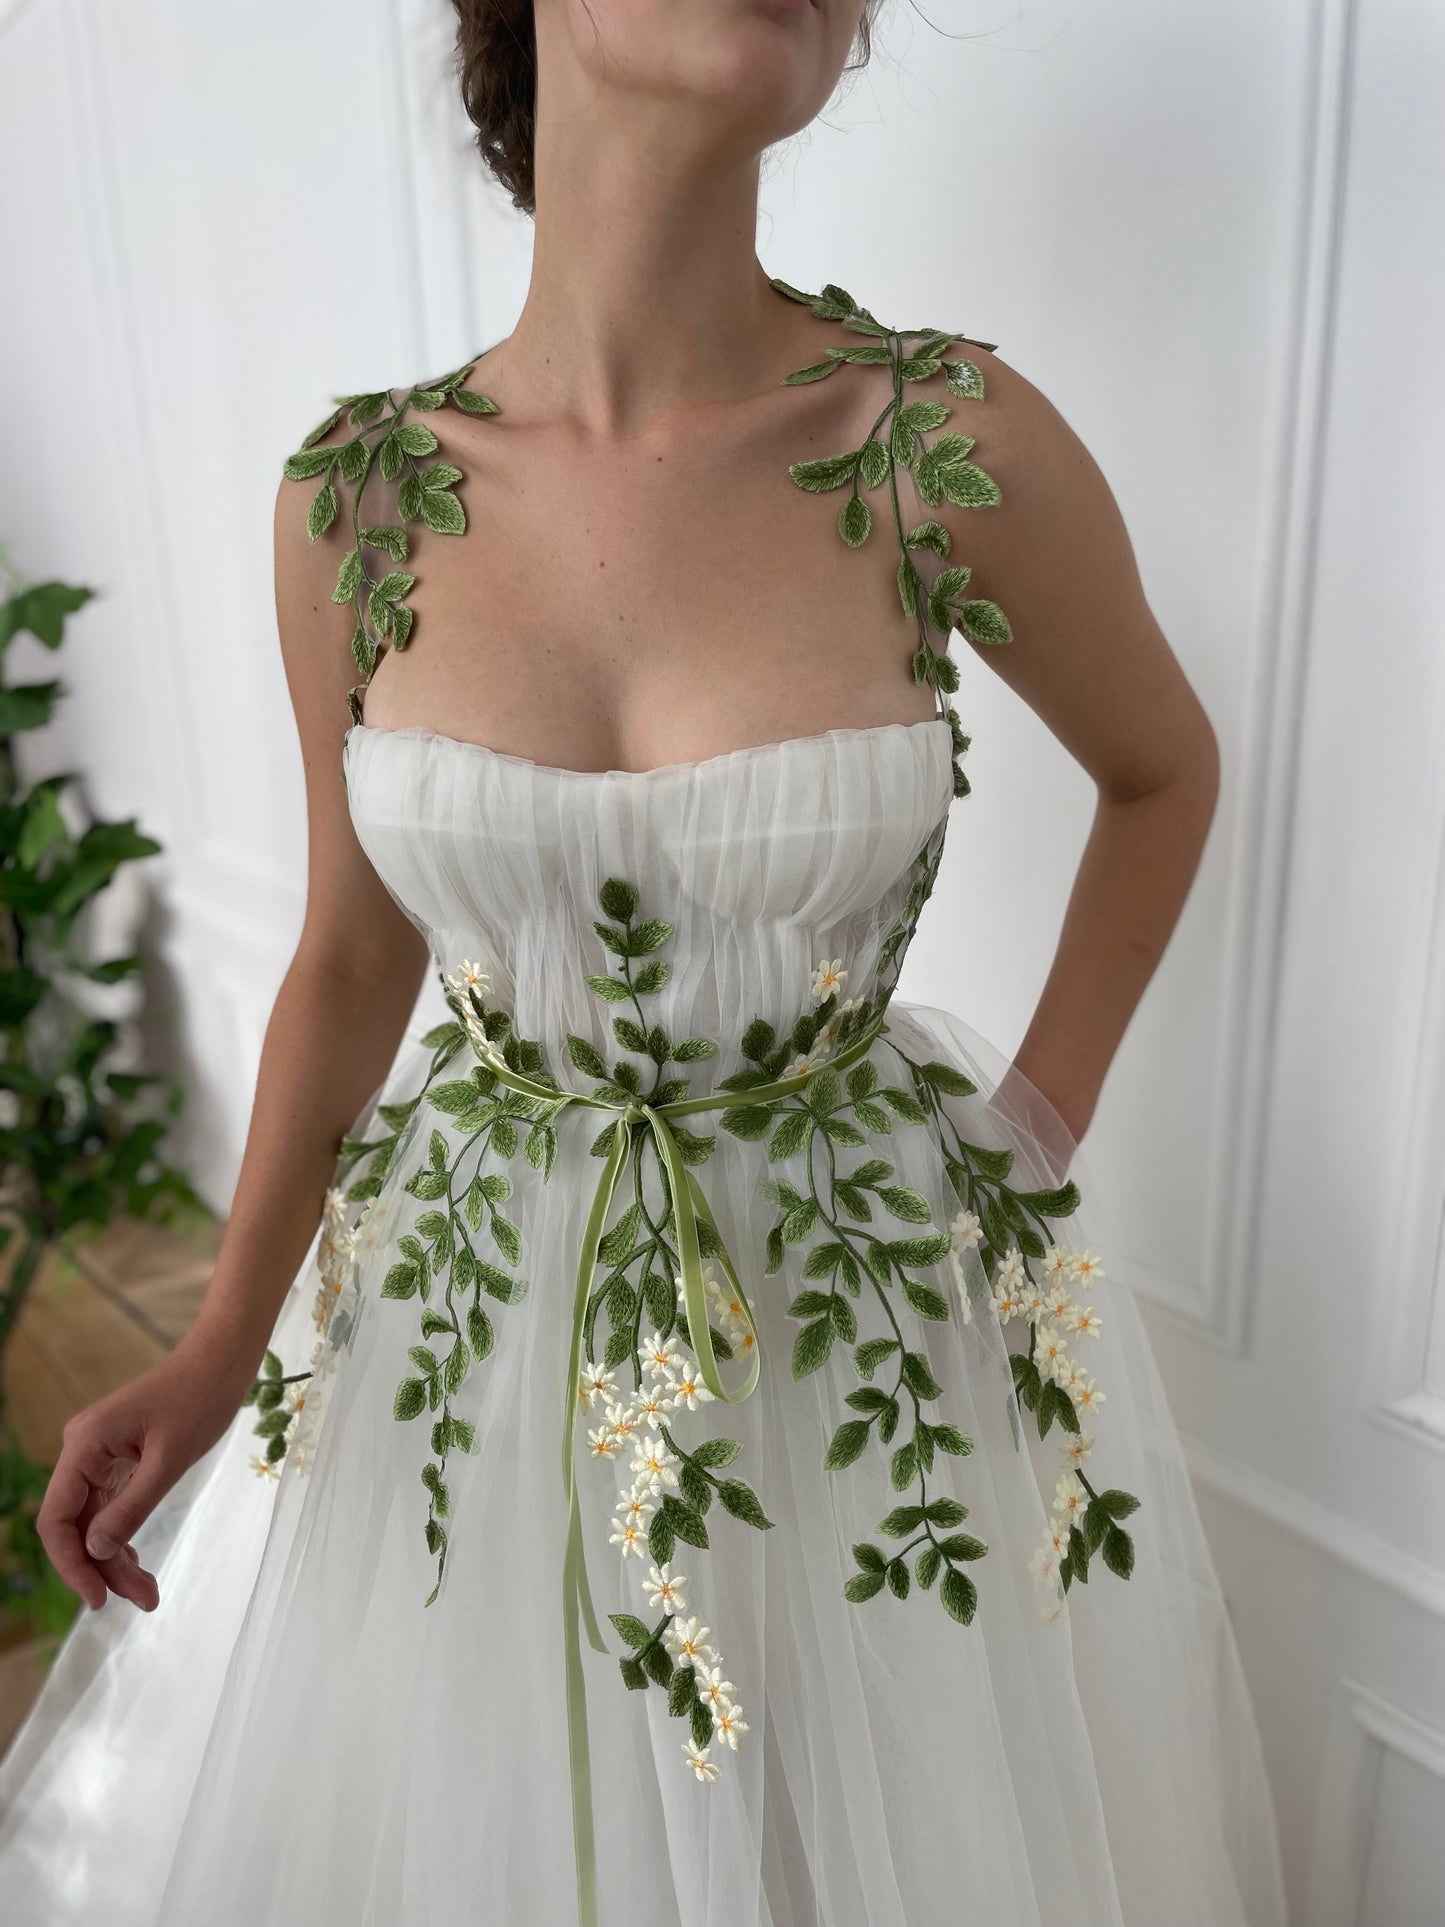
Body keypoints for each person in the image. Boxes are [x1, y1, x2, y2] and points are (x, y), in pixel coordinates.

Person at [0, 3, 1290, 1923]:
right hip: (472, 1348)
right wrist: (212, 1344)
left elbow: (1161, 768)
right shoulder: (357, 498)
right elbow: (354, 955)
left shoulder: (935, 440)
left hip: (859, 1335)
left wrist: (1029, 1131)